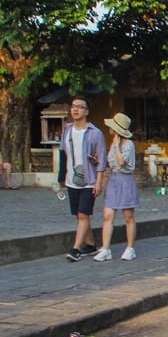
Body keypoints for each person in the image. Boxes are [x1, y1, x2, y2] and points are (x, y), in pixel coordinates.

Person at [59, 96, 108, 261]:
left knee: (83, 214)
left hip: (89, 179)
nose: (75, 109)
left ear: (86, 111)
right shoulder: (67, 130)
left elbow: (101, 159)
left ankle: (76, 249)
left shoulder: (95, 133)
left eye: (80, 107)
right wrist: (60, 178)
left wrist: (99, 181)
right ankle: (91, 245)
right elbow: (62, 154)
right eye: (73, 106)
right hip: (72, 178)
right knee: (78, 215)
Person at [95, 113, 138, 262]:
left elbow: (121, 162)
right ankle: (106, 248)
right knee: (108, 214)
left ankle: (130, 247)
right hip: (113, 180)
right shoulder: (113, 143)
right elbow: (111, 163)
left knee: (128, 216)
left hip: (125, 180)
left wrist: (116, 146)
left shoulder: (128, 144)